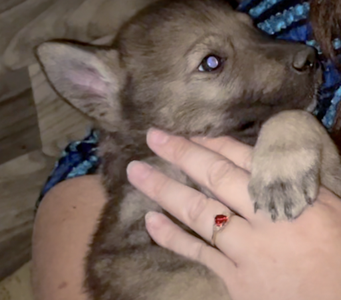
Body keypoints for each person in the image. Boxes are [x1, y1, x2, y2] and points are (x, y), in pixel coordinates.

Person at [32, 0, 341, 299]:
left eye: (251, 33)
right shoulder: (145, 185)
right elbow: (117, 266)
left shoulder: (281, 128)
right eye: (212, 62)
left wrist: (295, 130)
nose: (300, 54)